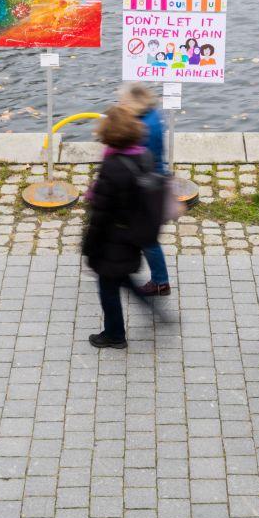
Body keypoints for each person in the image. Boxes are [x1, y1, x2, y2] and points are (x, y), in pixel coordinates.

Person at [82, 106, 159, 349]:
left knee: (108, 287)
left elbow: (100, 215)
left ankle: (115, 335)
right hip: (133, 235)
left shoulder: (112, 166)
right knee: (123, 277)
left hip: (111, 240)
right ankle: (155, 310)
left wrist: (89, 247)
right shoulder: (145, 156)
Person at [118, 82, 172, 296]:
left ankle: (160, 281)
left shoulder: (142, 128)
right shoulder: (152, 116)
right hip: (153, 183)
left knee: (146, 237)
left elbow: (136, 159)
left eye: (123, 101)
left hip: (145, 189)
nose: (120, 104)